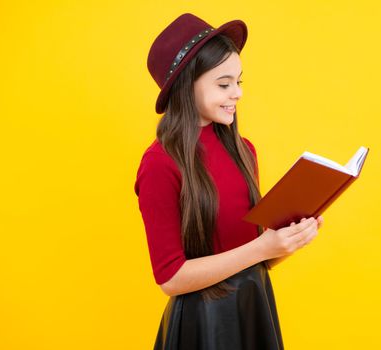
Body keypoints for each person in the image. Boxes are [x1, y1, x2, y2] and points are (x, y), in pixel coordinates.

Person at [134, 13, 324, 350]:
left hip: (254, 308)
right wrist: (261, 248)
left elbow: (253, 254)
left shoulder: (243, 150)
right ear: (185, 85)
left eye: (239, 82)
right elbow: (170, 277)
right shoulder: (160, 164)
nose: (236, 93)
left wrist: (286, 241)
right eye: (224, 84)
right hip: (202, 326)